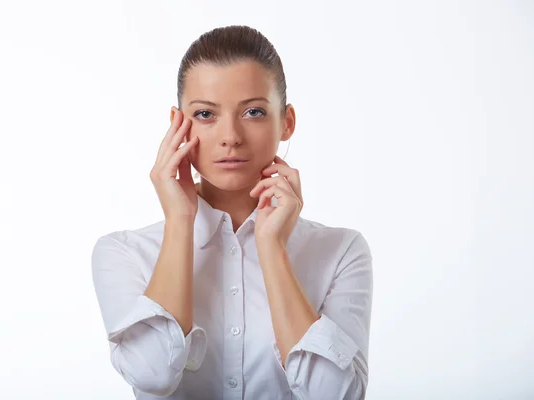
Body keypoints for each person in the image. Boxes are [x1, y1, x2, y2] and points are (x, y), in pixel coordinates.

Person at [91, 25, 373, 400]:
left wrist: (271, 249)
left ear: (286, 122)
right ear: (178, 124)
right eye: (206, 114)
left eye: (254, 111)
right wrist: (179, 222)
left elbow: (336, 395)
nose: (231, 136)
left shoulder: (341, 251)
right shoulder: (123, 253)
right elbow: (153, 375)